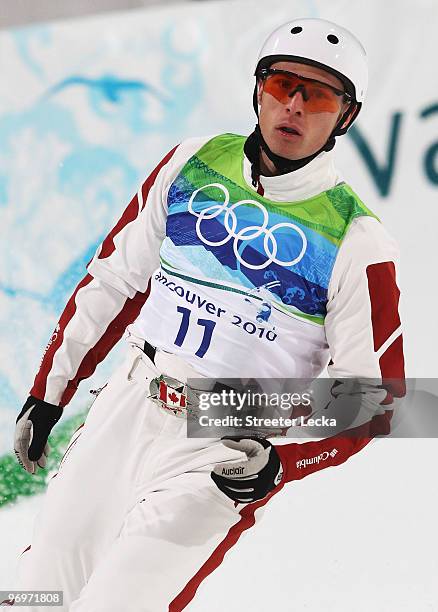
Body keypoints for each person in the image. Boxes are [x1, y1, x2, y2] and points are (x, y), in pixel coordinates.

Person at [10, 17, 405, 612]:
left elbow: (372, 398)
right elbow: (113, 281)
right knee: (36, 594)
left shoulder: (357, 238)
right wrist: (50, 392)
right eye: (281, 85)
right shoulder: (193, 162)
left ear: (345, 117)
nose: (294, 106)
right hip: (128, 402)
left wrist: (281, 463)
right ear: (257, 89)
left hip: (222, 440)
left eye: (319, 94)